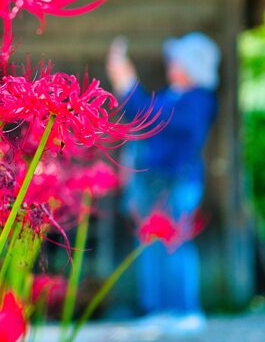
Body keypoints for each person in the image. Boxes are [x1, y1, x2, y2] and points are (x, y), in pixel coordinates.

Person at [105, 33, 220, 336]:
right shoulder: (173, 95)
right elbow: (142, 124)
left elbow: (149, 115)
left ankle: (186, 309)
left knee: (175, 242)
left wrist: (127, 84)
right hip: (152, 183)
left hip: (178, 183)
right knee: (149, 244)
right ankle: (158, 309)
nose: (172, 63)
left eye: (179, 59)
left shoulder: (198, 99)